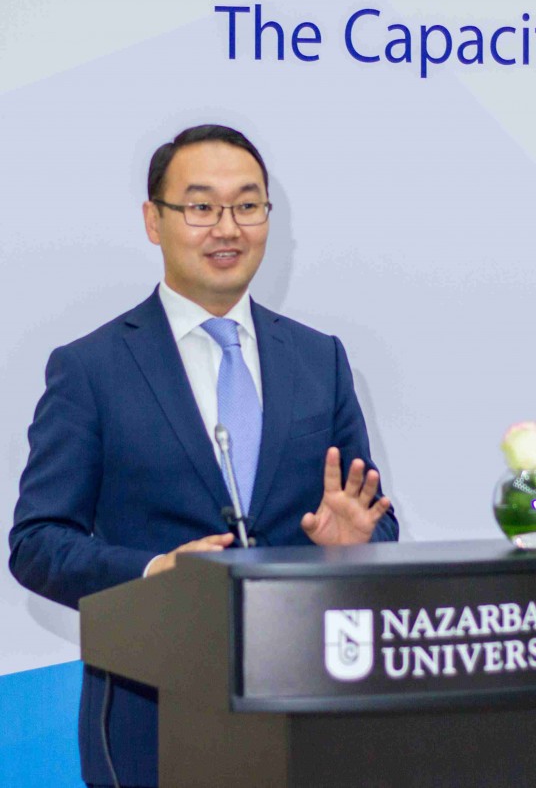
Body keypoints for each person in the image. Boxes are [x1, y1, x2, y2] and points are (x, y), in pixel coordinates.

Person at [8, 124, 398, 787]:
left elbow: (376, 523)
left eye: (247, 205)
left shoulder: (320, 359)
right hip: (152, 719)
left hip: (307, 712)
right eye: (201, 207)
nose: (228, 228)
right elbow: (37, 542)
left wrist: (353, 545)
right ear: (153, 221)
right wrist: (153, 570)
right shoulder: (91, 369)